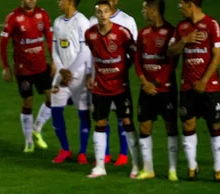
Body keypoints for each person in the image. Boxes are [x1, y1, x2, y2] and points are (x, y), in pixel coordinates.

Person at [168, 0, 220, 180]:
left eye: (181, 4)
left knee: (215, 125)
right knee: (188, 125)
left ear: (191, 4)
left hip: (210, 86)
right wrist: (184, 40)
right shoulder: (181, 27)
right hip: (187, 86)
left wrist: (204, 80)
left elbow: (217, 56)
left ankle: (218, 169)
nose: (179, 8)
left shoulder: (212, 25)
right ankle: (192, 168)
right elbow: (171, 51)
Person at [85, 0, 139, 178]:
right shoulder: (90, 34)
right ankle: (100, 166)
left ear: (110, 13)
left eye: (105, 11)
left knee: (127, 122)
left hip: (120, 86)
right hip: (100, 87)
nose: (102, 15)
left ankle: (136, 165)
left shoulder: (122, 32)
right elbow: (91, 55)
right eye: (99, 12)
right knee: (100, 123)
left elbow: (134, 53)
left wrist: (124, 68)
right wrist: (90, 75)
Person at [0, 0, 54, 152]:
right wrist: (5, 67)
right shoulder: (13, 17)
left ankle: (37, 128)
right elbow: (2, 44)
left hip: (42, 67)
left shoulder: (42, 14)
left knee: (52, 98)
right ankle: (29, 140)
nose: (31, 1)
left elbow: (49, 39)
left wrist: (54, 60)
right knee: (27, 103)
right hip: (24, 70)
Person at [134, 0, 178, 180]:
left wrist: (157, 82)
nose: (143, 12)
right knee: (145, 125)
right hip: (147, 88)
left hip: (165, 89)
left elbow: (172, 61)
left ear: (153, 10)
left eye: (145, 9)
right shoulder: (143, 33)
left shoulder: (170, 32)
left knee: (170, 126)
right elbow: (138, 60)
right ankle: (148, 169)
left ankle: (173, 170)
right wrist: (145, 82)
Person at [50, 0, 92, 164]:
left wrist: (71, 71)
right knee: (55, 111)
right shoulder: (58, 21)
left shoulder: (82, 21)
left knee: (83, 113)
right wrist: (61, 70)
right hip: (61, 76)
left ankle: (82, 152)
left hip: (79, 75)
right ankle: (65, 149)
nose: (58, 2)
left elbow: (86, 50)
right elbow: (54, 49)